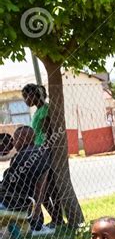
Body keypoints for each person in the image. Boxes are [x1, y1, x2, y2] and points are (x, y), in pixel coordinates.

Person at [21, 83, 64, 230]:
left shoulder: (45, 110)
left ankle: (57, 219)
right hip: (37, 152)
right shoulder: (38, 111)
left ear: (33, 95)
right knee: (42, 190)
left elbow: (47, 133)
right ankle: (55, 218)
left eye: (26, 96)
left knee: (49, 188)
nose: (25, 100)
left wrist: (43, 151)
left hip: (43, 153)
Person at [0, 126, 52, 236]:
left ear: (23, 139)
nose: (13, 143)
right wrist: (37, 212)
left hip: (10, 202)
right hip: (23, 201)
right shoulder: (42, 153)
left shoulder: (19, 156)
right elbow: (40, 187)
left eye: (15, 139)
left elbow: (7, 184)